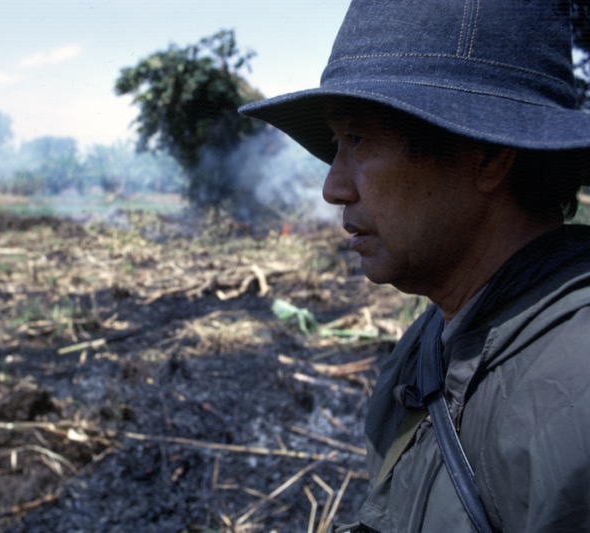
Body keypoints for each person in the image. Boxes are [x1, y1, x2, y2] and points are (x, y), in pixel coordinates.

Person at [240, 0, 590, 531]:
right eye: (336, 144)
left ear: (489, 154)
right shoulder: (431, 345)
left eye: (357, 139)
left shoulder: (575, 392)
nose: (332, 188)